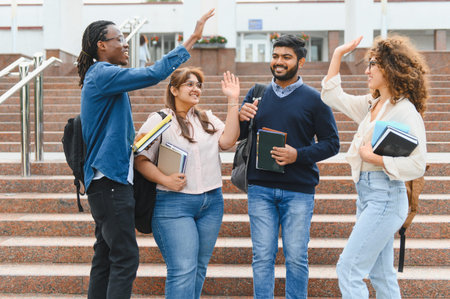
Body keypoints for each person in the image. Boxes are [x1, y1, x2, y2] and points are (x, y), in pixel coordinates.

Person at [77, 9, 215, 299]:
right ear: (102, 45)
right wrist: (192, 38)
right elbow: (153, 74)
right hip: (110, 183)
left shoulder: (100, 76)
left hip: (106, 181)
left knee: (105, 258)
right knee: (125, 258)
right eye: (120, 39)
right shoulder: (102, 73)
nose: (126, 43)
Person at [321, 35, 428, 298]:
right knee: (381, 275)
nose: (367, 70)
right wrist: (337, 54)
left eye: (373, 64)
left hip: (386, 197)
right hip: (369, 197)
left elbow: (418, 164)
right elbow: (332, 96)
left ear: (390, 69)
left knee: (348, 269)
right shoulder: (374, 104)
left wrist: (375, 158)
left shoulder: (405, 111)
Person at [238, 34, 340, 299]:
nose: (279, 62)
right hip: (260, 187)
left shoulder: (315, 99)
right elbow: (238, 135)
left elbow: (332, 143)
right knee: (262, 257)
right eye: (275, 56)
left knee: (296, 257)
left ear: (301, 62)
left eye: (286, 57)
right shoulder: (257, 93)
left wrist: (299, 155)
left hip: (298, 190)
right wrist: (239, 116)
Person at [134, 67, 241, 298]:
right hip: (173, 204)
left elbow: (229, 141)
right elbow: (139, 159)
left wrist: (233, 100)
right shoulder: (159, 120)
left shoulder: (206, 118)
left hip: (211, 202)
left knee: (199, 268)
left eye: (199, 85)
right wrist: (165, 179)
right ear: (174, 89)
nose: (196, 89)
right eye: (190, 84)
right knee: (183, 270)